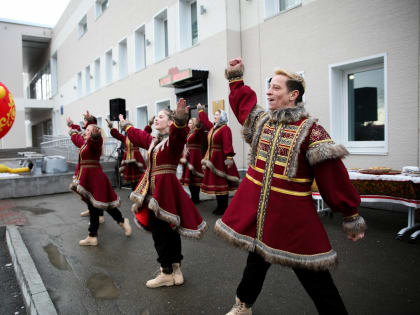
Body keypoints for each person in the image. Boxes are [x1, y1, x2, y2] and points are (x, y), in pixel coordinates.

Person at [215, 57, 367, 315]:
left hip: (294, 222)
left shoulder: (312, 131)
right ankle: (243, 304)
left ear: (293, 94)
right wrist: (235, 77)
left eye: (276, 88)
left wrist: (350, 214)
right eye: (269, 86)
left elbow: (333, 176)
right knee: (256, 260)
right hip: (262, 218)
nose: (268, 92)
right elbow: (244, 106)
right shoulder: (264, 122)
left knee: (314, 276)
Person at [119, 98, 207, 288]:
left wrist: (182, 120)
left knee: (161, 231)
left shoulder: (173, 142)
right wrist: (126, 125)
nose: (156, 119)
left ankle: (166, 271)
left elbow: (179, 135)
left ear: (170, 122)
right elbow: (137, 136)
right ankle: (176, 270)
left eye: (161, 117)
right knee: (169, 230)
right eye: (156, 117)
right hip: (154, 190)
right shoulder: (154, 141)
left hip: (165, 192)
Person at [66, 114, 132, 246]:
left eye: (88, 131)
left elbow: (95, 142)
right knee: (94, 207)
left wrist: (96, 136)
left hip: (95, 178)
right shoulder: (84, 143)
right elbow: (75, 137)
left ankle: (121, 221)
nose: (85, 132)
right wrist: (71, 125)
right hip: (87, 178)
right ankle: (93, 235)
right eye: (86, 130)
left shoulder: (94, 143)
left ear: (95, 133)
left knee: (104, 204)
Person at [198, 104, 240, 215]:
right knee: (217, 184)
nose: (215, 116)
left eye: (217, 115)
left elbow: (228, 144)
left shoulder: (225, 128)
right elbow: (206, 122)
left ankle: (223, 208)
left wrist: (229, 158)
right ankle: (219, 206)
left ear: (222, 117)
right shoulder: (213, 128)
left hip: (220, 159)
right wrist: (201, 111)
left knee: (222, 183)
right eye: (215, 115)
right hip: (212, 159)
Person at [68, 112, 105, 223]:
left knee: (96, 194)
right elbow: (76, 136)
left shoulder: (92, 139)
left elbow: (94, 130)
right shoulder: (84, 139)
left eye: (85, 120)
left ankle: (101, 215)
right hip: (84, 169)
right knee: (87, 193)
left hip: (93, 171)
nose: (84, 122)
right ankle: (92, 211)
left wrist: (90, 118)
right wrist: (71, 125)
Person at [106, 119, 146, 191]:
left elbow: (146, 134)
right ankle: (133, 190)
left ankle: (139, 190)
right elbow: (116, 134)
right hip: (127, 158)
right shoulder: (124, 138)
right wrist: (111, 127)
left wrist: (149, 124)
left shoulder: (137, 136)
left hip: (136, 158)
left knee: (139, 175)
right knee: (131, 177)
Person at [180, 117, 205, 203]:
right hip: (189, 156)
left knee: (195, 177)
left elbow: (200, 129)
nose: (188, 125)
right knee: (189, 177)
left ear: (194, 124)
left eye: (190, 123)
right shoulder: (189, 133)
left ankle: (196, 198)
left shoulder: (197, 132)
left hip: (195, 156)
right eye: (188, 123)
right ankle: (193, 197)